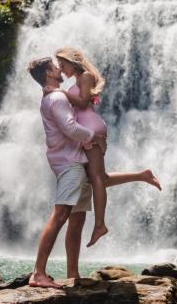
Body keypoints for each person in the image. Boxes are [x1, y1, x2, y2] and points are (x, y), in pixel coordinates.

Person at [27, 57, 160, 288]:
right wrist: (94, 136)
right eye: (55, 67)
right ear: (48, 73)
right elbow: (69, 127)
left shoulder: (55, 95)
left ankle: (72, 273)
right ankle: (38, 273)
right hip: (69, 163)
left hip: (76, 161)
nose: (60, 70)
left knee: (77, 219)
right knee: (60, 215)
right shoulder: (57, 97)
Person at [43, 48, 107, 247]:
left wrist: (59, 92)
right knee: (96, 177)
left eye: (63, 65)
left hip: (90, 126)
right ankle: (142, 175)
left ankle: (100, 225)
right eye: (58, 67)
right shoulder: (78, 81)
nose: (61, 71)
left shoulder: (86, 76)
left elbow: (83, 101)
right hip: (86, 129)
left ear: (73, 61)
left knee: (97, 177)